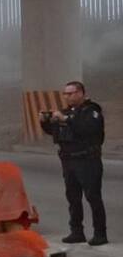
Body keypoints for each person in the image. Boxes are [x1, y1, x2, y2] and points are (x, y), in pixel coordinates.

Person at [41, 80, 107, 246]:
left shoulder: (91, 111)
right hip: (69, 160)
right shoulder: (66, 112)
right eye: (65, 94)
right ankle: (76, 231)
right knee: (73, 197)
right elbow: (56, 132)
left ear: (80, 93)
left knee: (93, 196)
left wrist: (66, 119)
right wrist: (45, 121)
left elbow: (88, 130)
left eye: (71, 93)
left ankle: (100, 233)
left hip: (87, 160)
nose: (67, 97)